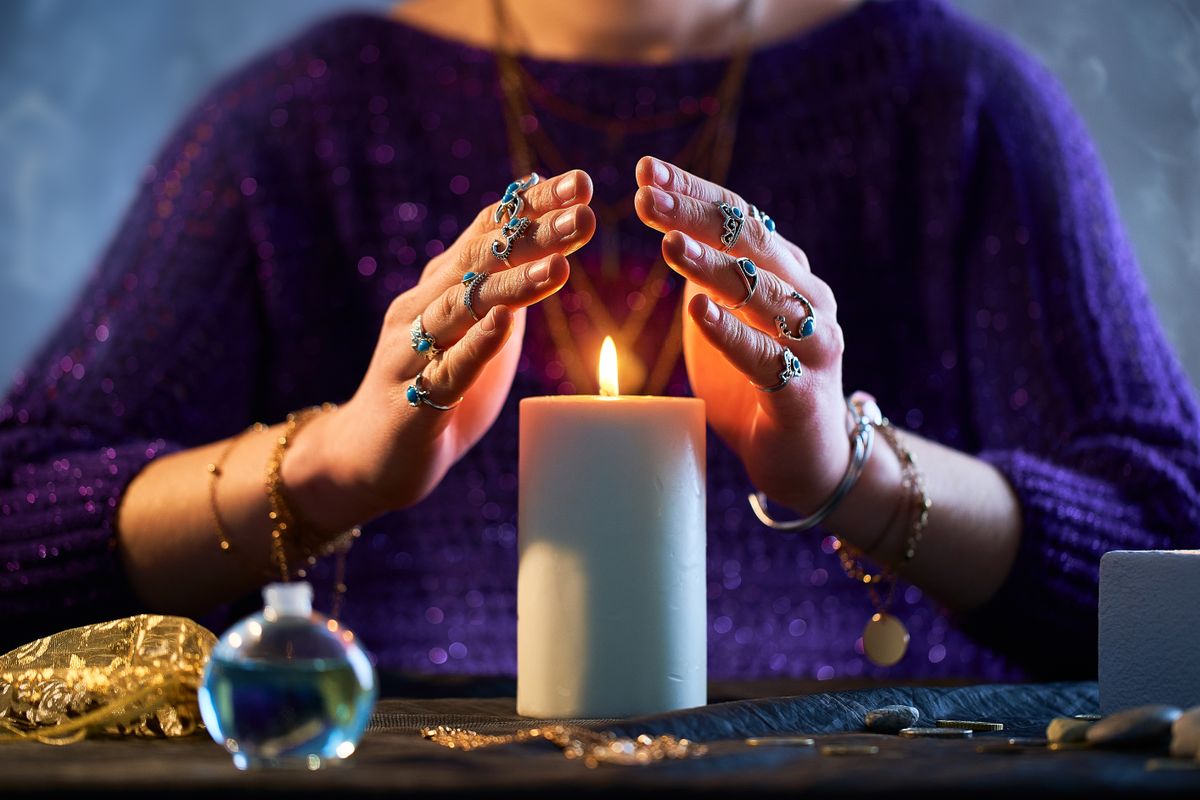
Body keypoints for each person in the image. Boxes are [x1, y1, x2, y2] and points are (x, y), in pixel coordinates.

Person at [2, 0, 1197, 681]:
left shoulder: (961, 106)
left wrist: (853, 474)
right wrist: (326, 468)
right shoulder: (295, 126)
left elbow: (1170, 588)